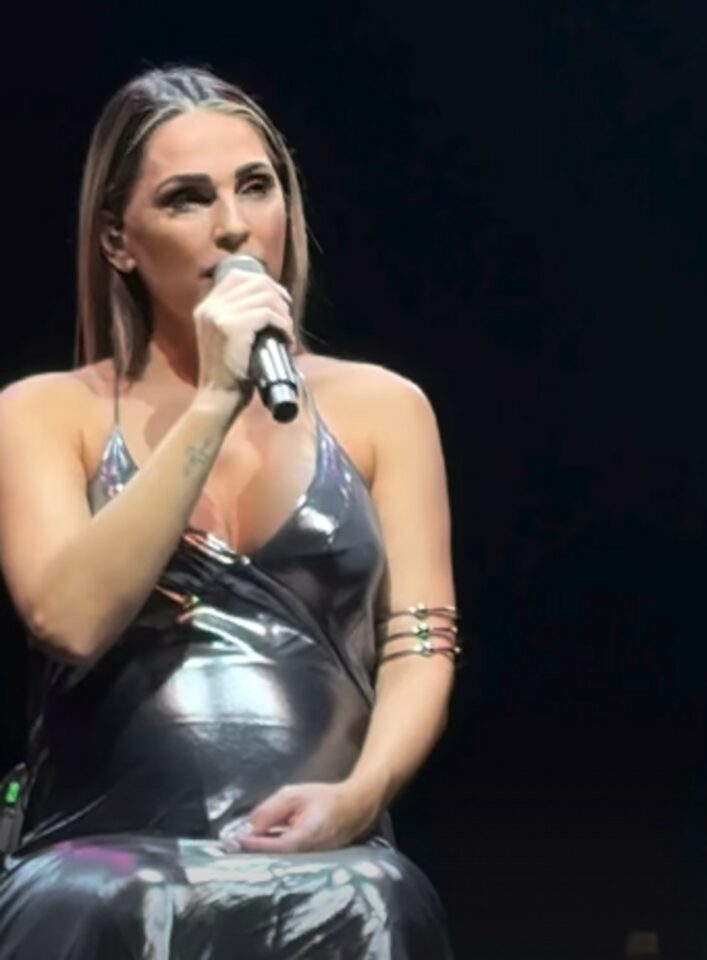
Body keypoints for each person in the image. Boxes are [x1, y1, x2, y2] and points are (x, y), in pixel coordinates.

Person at [0, 65, 459, 958]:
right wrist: (214, 398)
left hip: (328, 848)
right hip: (99, 852)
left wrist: (361, 796)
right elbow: (70, 618)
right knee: (113, 898)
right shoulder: (45, 413)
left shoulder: (384, 408)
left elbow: (420, 640)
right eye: (187, 198)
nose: (234, 226)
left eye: (256, 186)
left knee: (377, 896)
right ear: (117, 241)